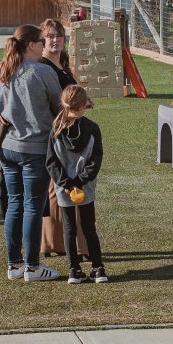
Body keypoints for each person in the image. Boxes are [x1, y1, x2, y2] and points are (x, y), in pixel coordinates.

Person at [0, 25, 63, 282]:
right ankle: (33, 267)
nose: (46, 44)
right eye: (42, 40)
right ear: (32, 45)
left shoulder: (2, 70)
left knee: (15, 204)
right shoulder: (42, 71)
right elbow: (60, 105)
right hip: (35, 148)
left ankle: (14, 264)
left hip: (8, 147)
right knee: (33, 206)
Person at [38, 18, 89, 260]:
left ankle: (56, 243)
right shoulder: (43, 67)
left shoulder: (62, 65)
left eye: (58, 35)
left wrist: (83, 102)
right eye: (49, 36)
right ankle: (53, 243)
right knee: (57, 189)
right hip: (57, 136)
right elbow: (50, 104)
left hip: (70, 132)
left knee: (59, 189)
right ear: (42, 41)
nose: (55, 40)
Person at [46, 85, 108, 283]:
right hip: (86, 186)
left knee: (69, 228)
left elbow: (50, 162)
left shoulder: (56, 129)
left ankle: (74, 270)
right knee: (89, 227)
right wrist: (80, 181)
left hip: (63, 188)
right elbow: (95, 160)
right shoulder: (92, 128)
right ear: (84, 104)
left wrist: (65, 183)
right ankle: (98, 268)